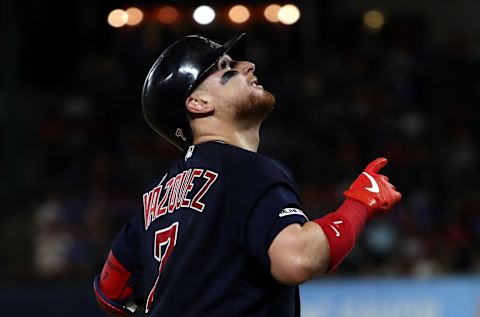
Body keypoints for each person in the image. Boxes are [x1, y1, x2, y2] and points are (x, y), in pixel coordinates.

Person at [92, 33, 402, 316]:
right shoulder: (245, 168)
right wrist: (359, 203)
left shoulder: (152, 198)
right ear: (198, 103)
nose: (249, 66)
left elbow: (111, 293)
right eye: (225, 65)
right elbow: (296, 259)